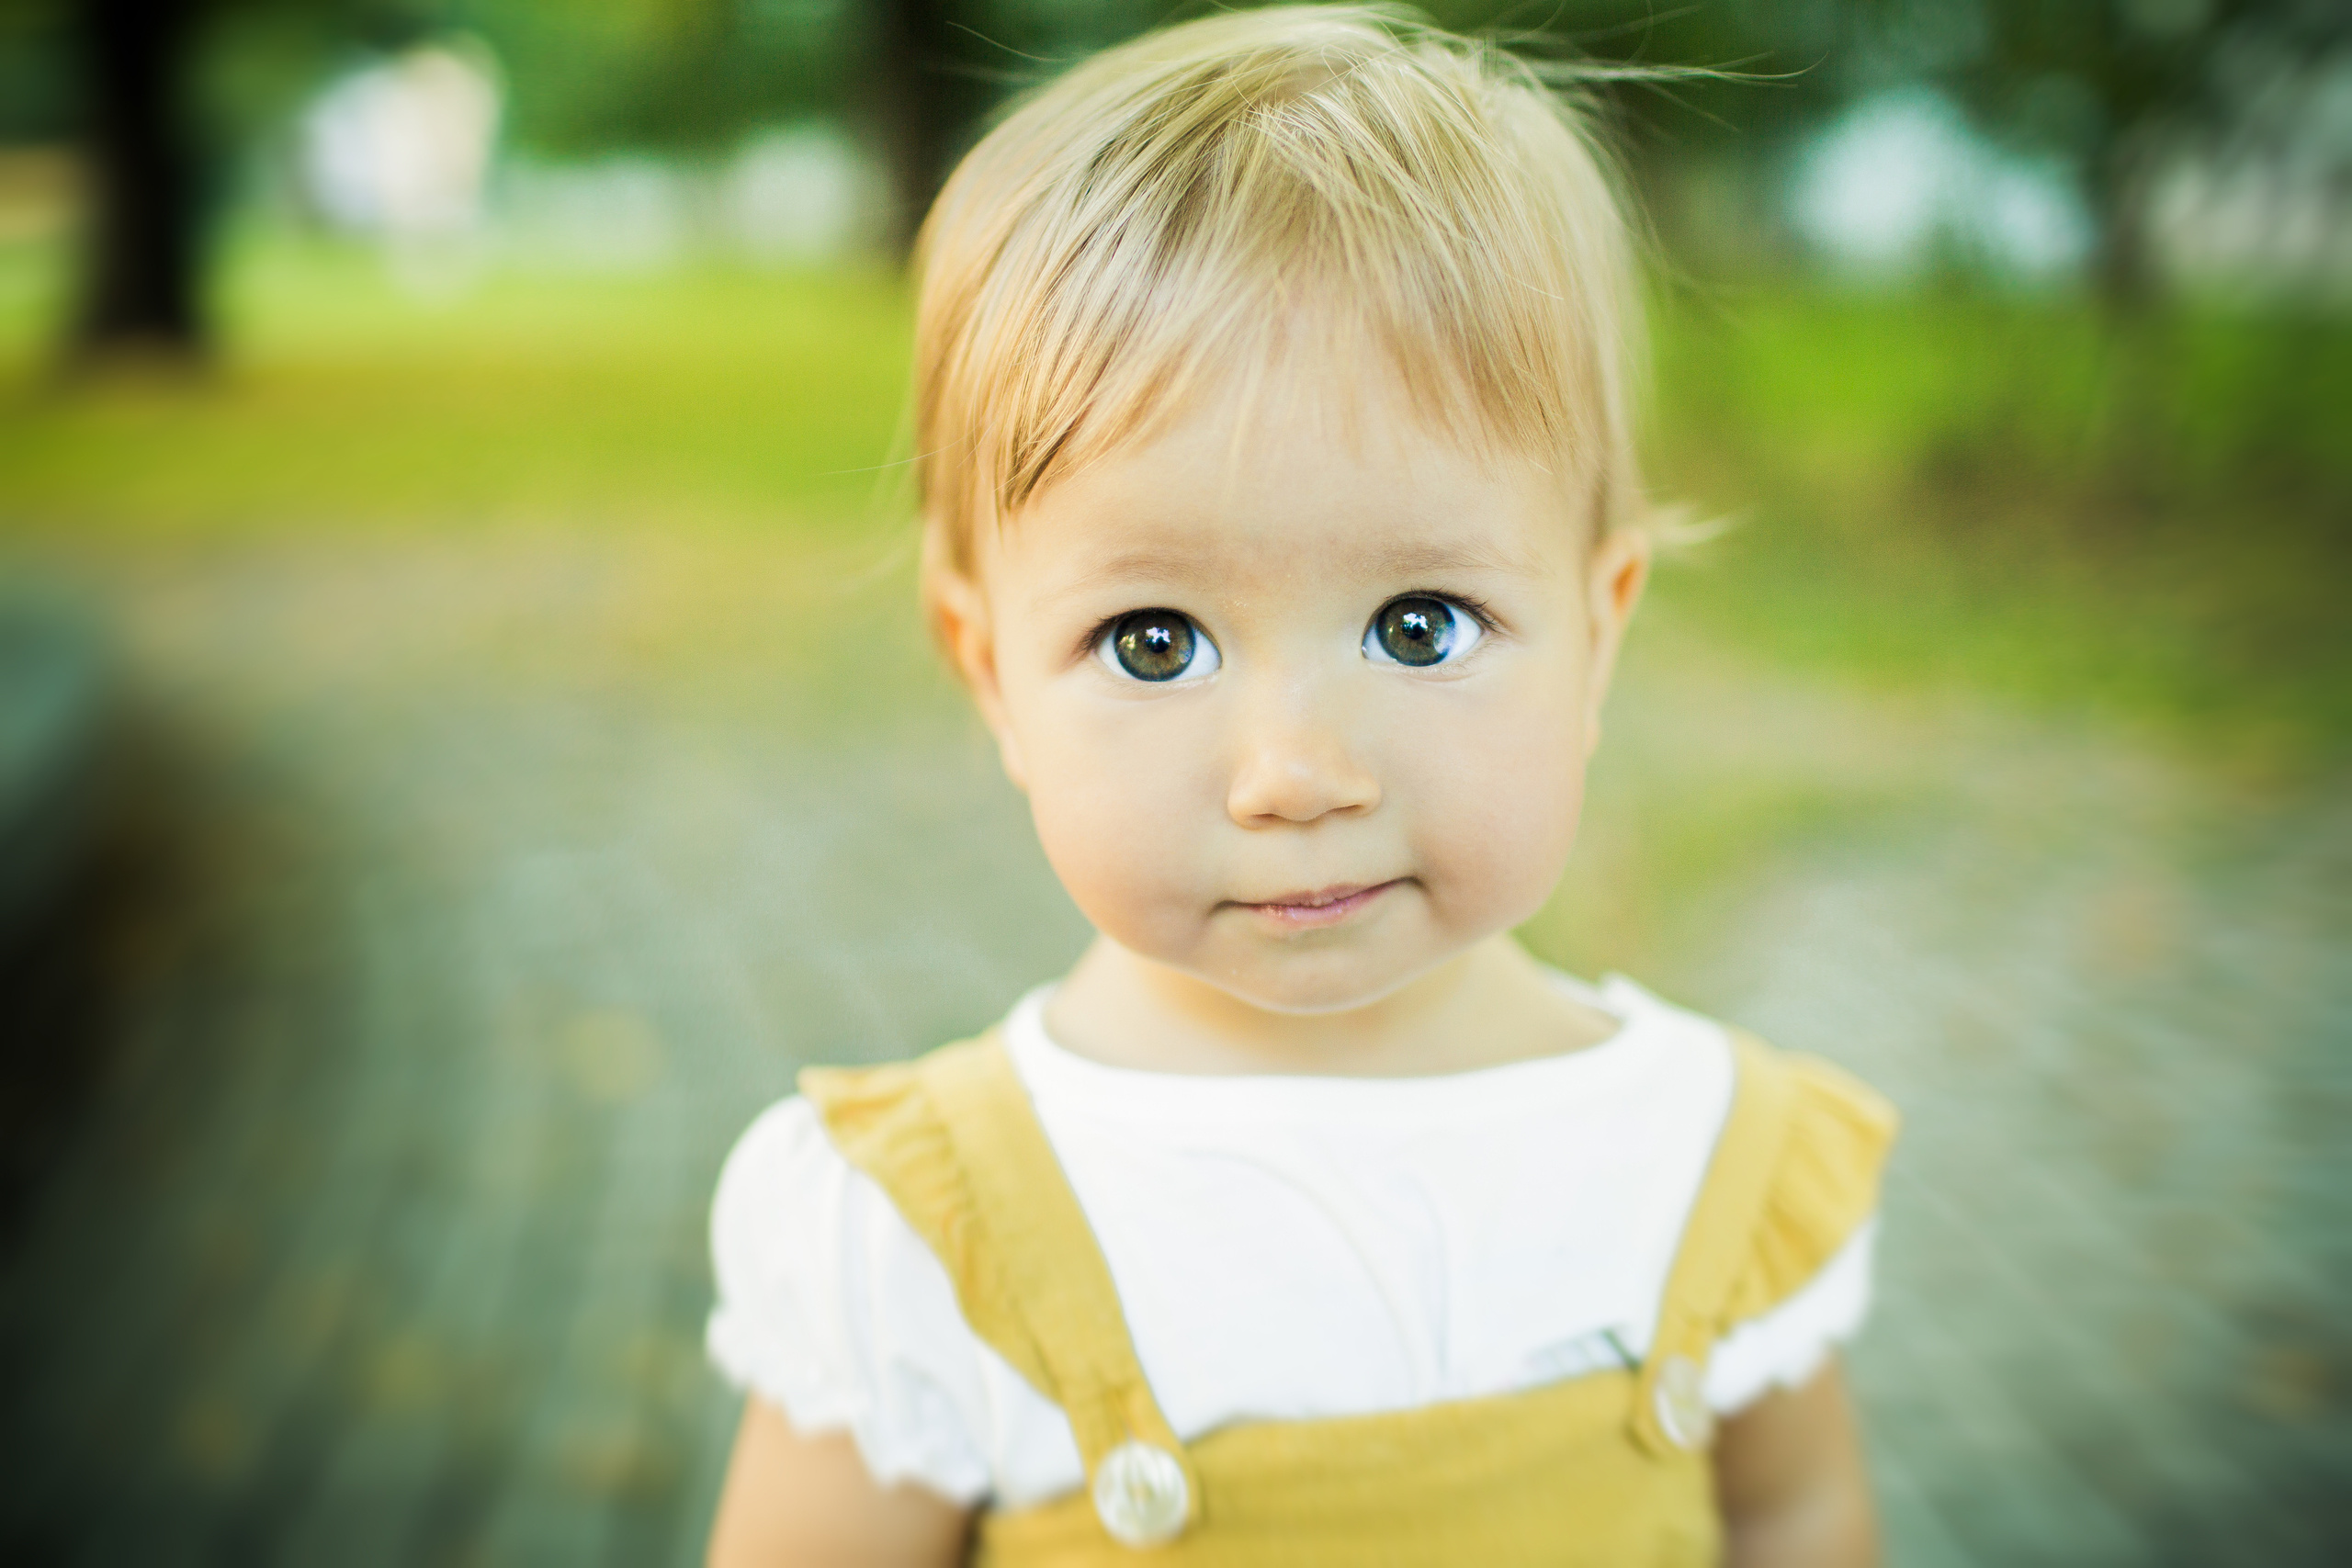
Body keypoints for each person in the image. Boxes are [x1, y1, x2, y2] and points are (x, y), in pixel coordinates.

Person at [703, 7, 1898, 1564]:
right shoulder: (927, 1238)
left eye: (1420, 627)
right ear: (988, 667)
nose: (1295, 775)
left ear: (1598, 633)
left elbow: (1799, 1516)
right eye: (1154, 640)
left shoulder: (1710, 1162)